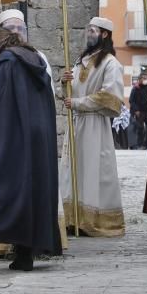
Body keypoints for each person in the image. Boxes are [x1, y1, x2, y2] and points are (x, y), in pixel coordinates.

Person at [0, 27, 62, 271]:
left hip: (15, 133)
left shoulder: (7, 61)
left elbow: (1, 103)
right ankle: (24, 254)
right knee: (33, 193)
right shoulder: (37, 59)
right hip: (39, 136)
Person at [60, 16, 126, 236]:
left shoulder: (110, 63)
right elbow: (70, 95)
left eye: (93, 30)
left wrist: (78, 103)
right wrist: (64, 83)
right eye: (87, 30)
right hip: (77, 123)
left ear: (104, 34)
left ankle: (93, 220)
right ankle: (73, 219)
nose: (88, 33)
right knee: (74, 169)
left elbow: (109, 97)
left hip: (95, 125)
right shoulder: (81, 61)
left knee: (93, 170)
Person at [130, 73, 147, 150]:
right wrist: (136, 110)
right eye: (143, 78)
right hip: (139, 111)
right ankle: (140, 144)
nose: (145, 80)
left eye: (146, 78)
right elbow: (131, 100)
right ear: (139, 79)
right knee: (140, 128)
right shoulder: (135, 88)